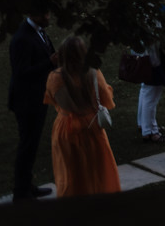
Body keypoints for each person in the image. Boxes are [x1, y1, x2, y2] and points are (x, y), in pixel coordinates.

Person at [43, 35, 119, 196]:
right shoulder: (93, 73)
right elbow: (106, 100)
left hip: (65, 128)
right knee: (97, 171)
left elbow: (53, 100)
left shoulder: (55, 78)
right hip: (92, 126)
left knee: (69, 173)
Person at [8, 4, 58, 201]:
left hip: (38, 97)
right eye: (45, 13)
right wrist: (50, 62)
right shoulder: (22, 39)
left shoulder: (39, 32)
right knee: (27, 145)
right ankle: (21, 192)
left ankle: (27, 185)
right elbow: (21, 73)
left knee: (32, 145)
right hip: (26, 101)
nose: (48, 16)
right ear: (33, 14)